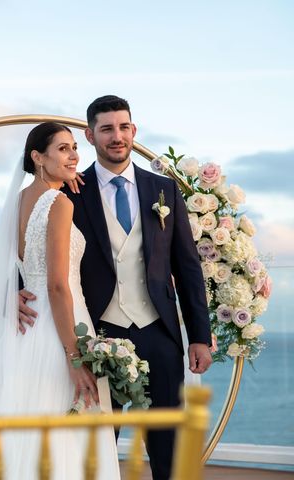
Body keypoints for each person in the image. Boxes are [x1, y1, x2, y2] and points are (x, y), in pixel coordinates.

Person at [19, 96, 213, 480]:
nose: (117, 136)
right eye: (106, 129)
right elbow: (31, 245)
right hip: (97, 334)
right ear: (91, 135)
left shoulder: (164, 190)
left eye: (123, 127)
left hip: (159, 332)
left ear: (134, 131)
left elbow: (187, 266)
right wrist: (16, 289)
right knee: (98, 447)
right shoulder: (68, 190)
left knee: (168, 446)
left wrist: (199, 336)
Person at [0, 122, 120, 479]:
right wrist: (75, 356)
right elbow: (57, 285)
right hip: (61, 328)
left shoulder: (20, 201)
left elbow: (18, 267)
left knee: (25, 418)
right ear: (38, 157)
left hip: (27, 328)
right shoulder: (60, 203)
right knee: (64, 427)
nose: (74, 156)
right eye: (63, 149)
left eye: (74, 148)